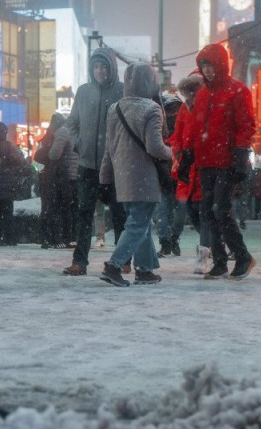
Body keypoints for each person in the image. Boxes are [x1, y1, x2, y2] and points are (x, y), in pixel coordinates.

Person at [178, 43, 256, 280]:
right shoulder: (202, 94)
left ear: (220, 65)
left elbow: (246, 125)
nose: (207, 70)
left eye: (210, 65)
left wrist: (241, 155)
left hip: (226, 161)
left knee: (220, 210)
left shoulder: (237, 90)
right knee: (208, 212)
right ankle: (220, 261)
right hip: (205, 162)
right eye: (203, 66)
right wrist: (187, 156)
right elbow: (195, 128)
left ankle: (242, 256)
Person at [98, 62, 173, 286]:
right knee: (138, 224)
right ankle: (114, 265)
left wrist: (104, 178)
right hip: (145, 177)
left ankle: (145, 270)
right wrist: (174, 152)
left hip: (122, 177)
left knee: (141, 223)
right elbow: (155, 148)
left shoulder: (115, 108)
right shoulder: (151, 108)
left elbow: (108, 148)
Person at [62, 47, 127, 276]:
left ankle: (123, 259)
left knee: (120, 214)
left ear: (112, 68)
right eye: (96, 67)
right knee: (84, 213)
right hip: (87, 164)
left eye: (104, 66)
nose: (100, 71)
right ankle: (80, 261)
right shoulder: (84, 91)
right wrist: (79, 143)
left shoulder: (122, 91)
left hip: (114, 165)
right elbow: (71, 122)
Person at [170, 73, 210, 274]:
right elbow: (177, 134)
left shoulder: (207, 107)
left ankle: (203, 254)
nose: (188, 99)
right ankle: (212, 243)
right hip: (188, 168)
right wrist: (178, 153)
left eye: (191, 95)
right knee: (193, 213)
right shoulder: (184, 110)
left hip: (203, 167)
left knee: (203, 213)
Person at [0, 120, 30, 246]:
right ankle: (9, 238)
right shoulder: (9, 146)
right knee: (7, 212)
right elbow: (19, 162)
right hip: (7, 184)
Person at [35, 113, 76, 249]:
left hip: (56, 176)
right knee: (65, 208)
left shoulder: (60, 132)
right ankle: (64, 237)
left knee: (51, 207)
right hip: (63, 176)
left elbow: (53, 154)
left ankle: (51, 237)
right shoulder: (71, 131)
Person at [154, 93, 185, 258]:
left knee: (180, 213)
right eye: (170, 109)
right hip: (162, 178)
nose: (173, 113)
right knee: (162, 213)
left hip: (180, 178)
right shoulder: (158, 131)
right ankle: (165, 243)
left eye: (176, 109)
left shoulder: (184, 129)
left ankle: (173, 238)